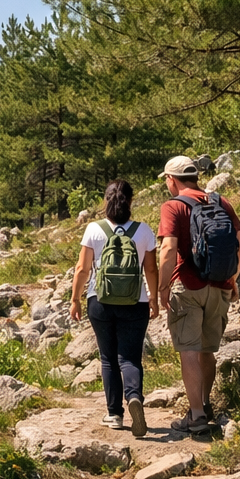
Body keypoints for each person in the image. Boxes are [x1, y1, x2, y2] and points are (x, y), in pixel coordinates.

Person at [157, 155, 240, 434]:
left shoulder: (173, 206)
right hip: (220, 286)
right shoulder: (221, 202)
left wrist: (162, 288)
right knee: (207, 350)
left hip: (188, 287)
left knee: (189, 350)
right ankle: (205, 404)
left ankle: (196, 416)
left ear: (172, 180)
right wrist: (232, 278)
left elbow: (168, 250)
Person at [69, 180, 161, 437]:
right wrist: (153, 298)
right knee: (130, 357)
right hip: (136, 302)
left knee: (108, 358)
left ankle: (114, 414)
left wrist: (75, 299)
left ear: (106, 201)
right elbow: (150, 269)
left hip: (100, 302)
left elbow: (82, 269)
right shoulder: (143, 231)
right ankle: (134, 398)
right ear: (130, 203)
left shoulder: (93, 230)